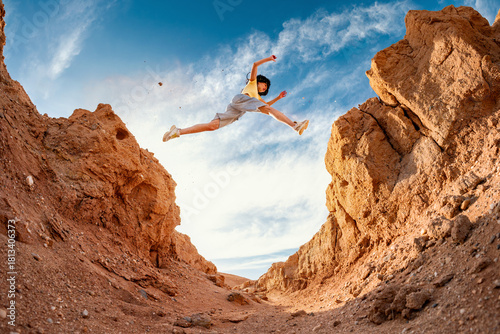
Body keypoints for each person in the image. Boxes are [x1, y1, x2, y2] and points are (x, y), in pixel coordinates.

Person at [162, 55, 309, 142]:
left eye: (266, 89)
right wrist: (269, 59)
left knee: (212, 126)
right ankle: (295, 126)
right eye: (265, 85)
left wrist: (278, 97)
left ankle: (177, 132)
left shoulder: (257, 98)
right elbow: (255, 64)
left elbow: (268, 106)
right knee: (267, 109)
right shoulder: (252, 83)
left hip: (237, 110)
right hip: (240, 100)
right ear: (260, 81)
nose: (265, 88)